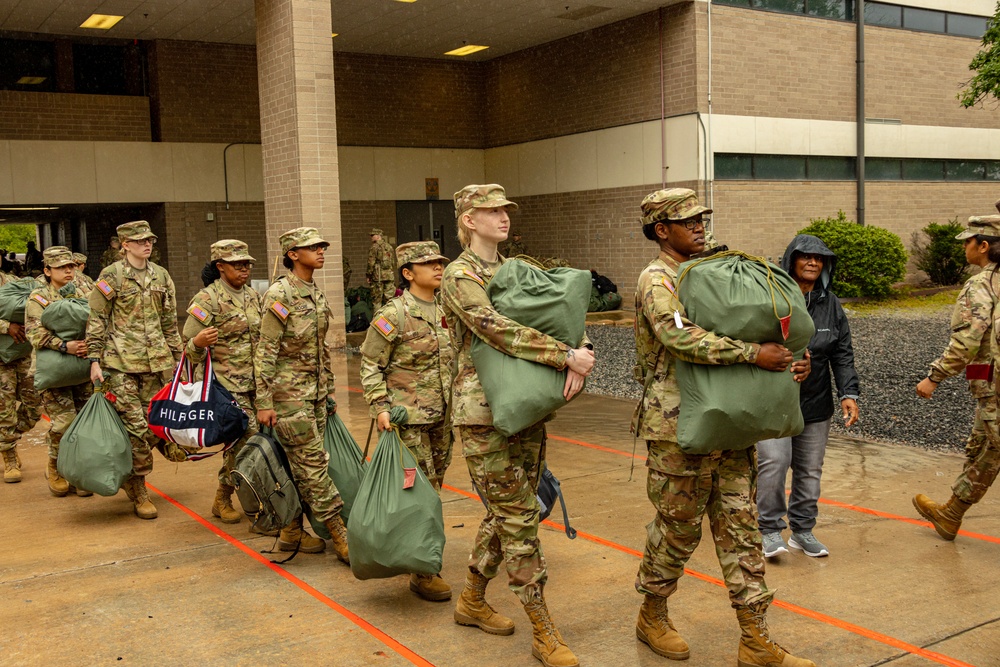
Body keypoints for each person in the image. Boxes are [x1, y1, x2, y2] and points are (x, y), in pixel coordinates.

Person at [631, 188, 814, 667]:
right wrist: (755, 355)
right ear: (660, 230)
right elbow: (677, 335)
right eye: (685, 220)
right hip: (677, 426)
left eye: (700, 217)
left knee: (741, 526)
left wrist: (790, 358)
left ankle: (755, 638)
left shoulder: (716, 273)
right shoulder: (658, 279)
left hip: (731, 421)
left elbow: (761, 328)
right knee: (678, 529)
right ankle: (652, 613)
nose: (698, 225)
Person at [442, 184, 594, 667]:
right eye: (491, 211)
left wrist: (581, 350)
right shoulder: (460, 274)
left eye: (506, 209)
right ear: (468, 219)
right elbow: (493, 326)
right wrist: (561, 355)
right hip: (483, 412)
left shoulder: (514, 269)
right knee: (518, 518)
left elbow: (558, 310)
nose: (503, 217)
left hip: (525, 406)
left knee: (516, 507)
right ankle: (543, 628)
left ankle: (470, 598)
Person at [360, 240, 455, 602]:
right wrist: (380, 407)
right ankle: (423, 570)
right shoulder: (393, 314)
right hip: (408, 420)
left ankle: (419, 551)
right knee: (418, 492)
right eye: (427, 263)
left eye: (439, 261)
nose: (437, 267)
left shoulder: (446, 309)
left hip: (443, 418)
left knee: (435, 488)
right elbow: (371, 364)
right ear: (408, 272)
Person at [756, 234, 860, 559]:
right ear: (792, 260)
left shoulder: (831, 305)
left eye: (820, 259)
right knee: (774, 461)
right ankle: (770, 530)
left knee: (810, 469)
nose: (814, 262)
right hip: (774, 400)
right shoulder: (773, 299)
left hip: (816, 402)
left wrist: (849, 393)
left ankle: (802, 531)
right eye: (806, 257)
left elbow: (842, 353)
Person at [255, 226, 349, 563]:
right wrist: (264, 401)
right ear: (293, 254)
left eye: (322, 246)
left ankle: (292, 530)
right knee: (312, 466)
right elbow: (266, 350)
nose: (321, 251)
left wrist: (330, 392)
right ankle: (340, 532)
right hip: (288, 397)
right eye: (313, 247)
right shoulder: (281, 295)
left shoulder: (315, 292)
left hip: (315, 395)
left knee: (301, 464)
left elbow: (319, 348)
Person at [86, 220, 183, 519]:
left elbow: (169, 320)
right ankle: (139, 487)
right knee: (137, 428)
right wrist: (94, 360)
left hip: (156, 364)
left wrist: (180, 358)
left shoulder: (162, 276)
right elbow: (97, 318)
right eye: (140, 241)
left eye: (150, 240)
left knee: (153, 423)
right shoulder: (111, 276)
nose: (147, 244)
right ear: (124, 245)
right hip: (120, 364)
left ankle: (135, 472)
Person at [913, 214, 1000, 540]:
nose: (964, 246)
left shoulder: (980, 285)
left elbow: (966, 341)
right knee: (984, 449)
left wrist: (934, 377)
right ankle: (951, 513)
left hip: (994, 388)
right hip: (990, 386)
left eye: (968, 241)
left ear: (984, 246)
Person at [183, 240, 265, 530]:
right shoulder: (207, 300)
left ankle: (229, 495)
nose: (244, 269)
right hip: (226, 385)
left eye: (247, 264)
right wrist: (198, 343)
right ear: (220, 267)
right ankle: (225, 496)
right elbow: (188, 348)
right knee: (247, 439)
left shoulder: (254, 296)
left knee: (247, 443)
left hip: (257, 382)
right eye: (237, 265)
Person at [24, 247, 93, 497]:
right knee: (65, 422)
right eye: (62, 267)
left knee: (85, 424)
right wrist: (65, 345)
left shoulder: (87, 291)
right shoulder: (39, 297)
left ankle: (76, 472)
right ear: (47, 271)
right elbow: (33, 333)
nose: (68, 270)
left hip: (84, 369)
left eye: (71, 266)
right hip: (54, 371)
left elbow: (100, 321)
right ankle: (54, 465)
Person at [0, 267, 42, 483]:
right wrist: (6, 326)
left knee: (35, 405)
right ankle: (9, 456)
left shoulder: (15, 282)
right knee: (5, 410)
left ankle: (5, 439)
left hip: (22, 354)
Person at [366, 227, 396, 311]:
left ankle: (378, 322)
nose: (371, 237)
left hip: (378, 277)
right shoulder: (389, 247)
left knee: (377, 301)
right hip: (389, 276)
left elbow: (371, 263)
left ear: (379, 236)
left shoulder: (374, 247)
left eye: (373, 235)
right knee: (389, 300)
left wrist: (368, 275)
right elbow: (392, 262)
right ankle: (390, 320)